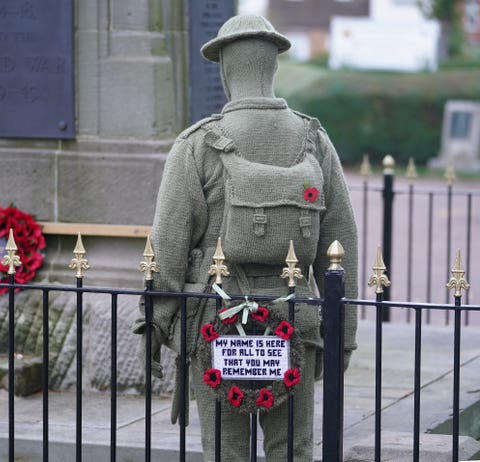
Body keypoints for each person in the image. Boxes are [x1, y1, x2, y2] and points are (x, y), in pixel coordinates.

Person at [132, 14, 358, 461]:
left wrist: (154, 328)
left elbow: (168, 248)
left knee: (225, 450)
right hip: (296, 321)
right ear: (273, 66)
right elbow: (339, 246)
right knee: (291, 449)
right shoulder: (315, 141)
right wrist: (343, 336)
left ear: (225, 70)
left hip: (217, 322)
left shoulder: (196, 145)